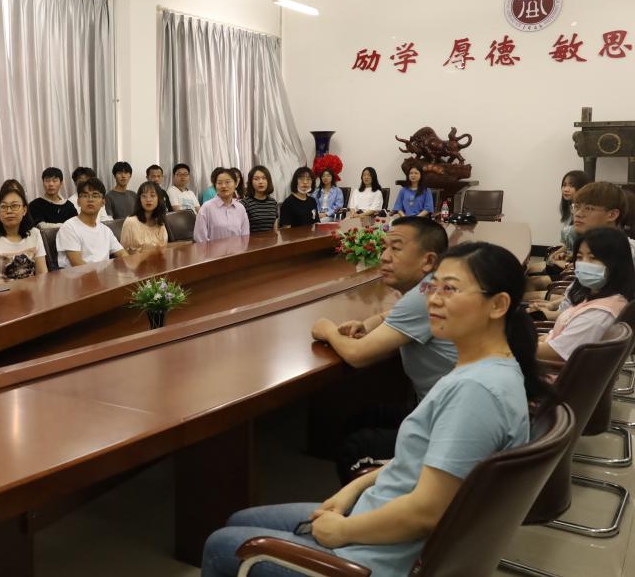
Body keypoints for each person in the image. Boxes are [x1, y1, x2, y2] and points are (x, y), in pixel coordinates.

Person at [204, 242, 547, 577]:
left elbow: (425, 513)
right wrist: (352, 490)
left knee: (222, 545)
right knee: (240, 521)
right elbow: (418, 463)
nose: (433, 299)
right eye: (433, 287)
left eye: (451, 289)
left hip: (373, 558)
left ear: (498, 305)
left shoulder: (476, 393)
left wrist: (344, 531)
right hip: (378, 517)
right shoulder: (487, 370)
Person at [311, 217, 453, 482]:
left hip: (447, 428)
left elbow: (358, 356)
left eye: (396, 248)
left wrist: (327, 329)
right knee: (361, 417)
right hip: (439, 409)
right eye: (385, 247)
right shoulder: (435, 285)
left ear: (428, 261)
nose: (384, 256)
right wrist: (369, 322)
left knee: (357, 446)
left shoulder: (424, 297)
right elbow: (398, 314)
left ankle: (372, 505)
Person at [530, 182, 634, 321]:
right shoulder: (591, 245)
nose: (578, 214)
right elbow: (582, 294)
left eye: (588, 208)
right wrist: (553, 305)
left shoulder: (625, 252)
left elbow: (601, 311)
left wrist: (552, 314)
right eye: (576, 207)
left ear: (612, 214)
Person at [536, 227, 634, 362]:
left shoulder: (598, 314)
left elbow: (556, 353)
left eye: (593, 258)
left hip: (548, 370)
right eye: (579, 257)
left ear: (616, 263)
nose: (583, 264)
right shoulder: (598, 296)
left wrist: (513, 345)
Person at [0, 183, 49, 288]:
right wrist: (15, 285)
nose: (9, 211)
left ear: (24, 210)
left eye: (14, 206)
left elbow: (42, 272)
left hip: (31, 293)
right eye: (3, 207)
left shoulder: (34, 234)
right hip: (2, 294)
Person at [58, 178, 125, 267]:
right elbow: (77, 263)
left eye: (95, 195)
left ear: (103, 202)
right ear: (78, 202)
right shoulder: (69, 227)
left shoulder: (106, 230)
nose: (90, 199)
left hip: (105, 274)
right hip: (80, 275)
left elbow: (122, 254)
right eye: (85, 196)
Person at [193, 169, 250, 243]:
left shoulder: (240, 208)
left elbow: (245, 235)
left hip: (238, 249)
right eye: (219, 183)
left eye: (227, 182)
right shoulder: (206, 207)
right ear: (215, 186)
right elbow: (200, 237)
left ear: (236, 184)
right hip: (213, 250)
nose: (223, 186)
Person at [120, 181, 169, 252]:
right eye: (144, 196)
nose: (148, 200)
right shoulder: (130, 222)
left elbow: (164, 247)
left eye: (152, 196)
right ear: (139, 200)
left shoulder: (159, 221)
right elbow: (123, 252)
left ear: (159, 199)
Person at [241, 165, 278, 233]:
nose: (261, 182)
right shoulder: (244, 203)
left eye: (264, 178)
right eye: (256, 179)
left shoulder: (273, 202)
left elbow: (275, 229)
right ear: (251, 182)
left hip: (271, 239)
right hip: (251, 239)